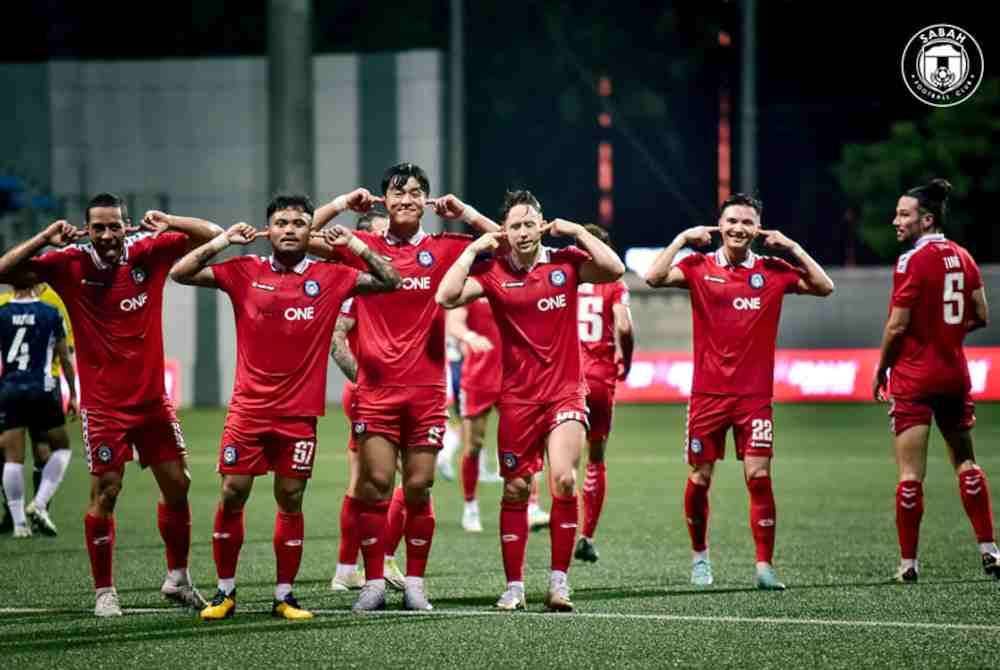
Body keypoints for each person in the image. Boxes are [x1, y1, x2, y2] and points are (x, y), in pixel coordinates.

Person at [170, 193, 400, 620]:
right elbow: (181, 273)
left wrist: (356, 246)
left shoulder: (332, 275)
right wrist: (223, 242)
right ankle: (225, 593)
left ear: (310, 231)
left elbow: (390, 280)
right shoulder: (245, 270)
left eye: (298, 223)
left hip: (298, 415)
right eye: (281, 222)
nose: (290, 229)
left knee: (290, 499)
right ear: (269, 229)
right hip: (248, 411)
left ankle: (284, 595)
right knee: (232, 493)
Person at [0, 193, 221, 616]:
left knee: (179, 484)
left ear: (126, 225)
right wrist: (46, 236)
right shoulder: (68, 263)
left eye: (114, 225)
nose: (106, 234)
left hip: (153, 402)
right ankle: (105, 591)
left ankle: (177, 579)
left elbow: (212, 236)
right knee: (107, 492)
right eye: (98, 226)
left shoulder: (150, 251)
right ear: (87, 229)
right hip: (105, 407)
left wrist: (169, 218)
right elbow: (5, 269)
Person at [310, 162, 500, 612]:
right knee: (375, 486)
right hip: (377, 391)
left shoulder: (446, 247)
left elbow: (508, 244)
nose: (407, 199)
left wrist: (468, 213)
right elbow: (300, 235)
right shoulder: (365, 246)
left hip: (427, 392)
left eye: (416, 192)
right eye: (397, 193)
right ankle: (373, 581)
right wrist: (340, 204)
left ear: (427, 201)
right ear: (384, 200)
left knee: (418, 486)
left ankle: (415, 581)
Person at [436, 189, 625, 612]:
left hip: (564, 393)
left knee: (563, 480)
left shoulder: (565, 263)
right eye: (514, 225)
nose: (523, 232)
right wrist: (471, 252)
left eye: (529, 223)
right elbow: (445, 297)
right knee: (517, 488)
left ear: (541, 225)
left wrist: (576, 230)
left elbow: (615, 268)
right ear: (504, 231)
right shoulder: (493, 272)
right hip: (518, 399)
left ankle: (559, 583)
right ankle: (515, 587)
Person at [643, 193, 834, 590]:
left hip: (754, 398)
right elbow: (653, 277)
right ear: (720, 224)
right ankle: (700, 558)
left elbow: (824, 286)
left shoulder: (774, 270)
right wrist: (681, 239)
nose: (738, 229)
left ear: (757, 229)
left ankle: (764, 566)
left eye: (747, 222)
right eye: (732, 221)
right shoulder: (698, 266)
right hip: (707, 397)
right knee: (700, 478)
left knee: (759, 476)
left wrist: (794, 247)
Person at [872, 178, 1000, 583]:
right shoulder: (964, 257)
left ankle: (908, 564)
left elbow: (896, 326)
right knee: (966, 462)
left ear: (926, 220)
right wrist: (946, 334)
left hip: (914, 376)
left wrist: (882, 368)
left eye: (904, 214)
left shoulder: (911, 262)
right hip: (954, 373)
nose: (896, 221)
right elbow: (980, 314)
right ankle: (989, 549)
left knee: (911, 474)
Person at [330, 208, 408, 593]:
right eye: (377, 236)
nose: (384, 244)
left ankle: (349, 569)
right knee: (388, 484)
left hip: (402, 392)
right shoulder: (358, 289)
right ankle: (377, 561)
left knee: (365, 485)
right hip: (373, 395)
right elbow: (336, 338)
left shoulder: (391, 283)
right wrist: (365, 381)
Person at [573, 224, 635, 563]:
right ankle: (586, 535)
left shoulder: (566, 276)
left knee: (560, 458)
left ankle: (544, 513)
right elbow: (624, 326)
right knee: (595, 458)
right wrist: (628, 356)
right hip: (599, 378)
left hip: (567, 377)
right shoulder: (613, 283)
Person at [0, 271, 77, 537]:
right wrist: (74, 394)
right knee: (61, 449)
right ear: (38, 282)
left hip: (9, 388)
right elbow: (66, 357)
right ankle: (41, 503)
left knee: (12, 457)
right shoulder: (50, 311)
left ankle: (19, 523)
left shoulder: (1, 311)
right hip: (43, 389)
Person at [446, 296, 502, 532]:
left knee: (523, 444)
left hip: (515, 376)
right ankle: (471, 507)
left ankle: (530, 506)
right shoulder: (473, 283)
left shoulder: (522, 279)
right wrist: (470, 337)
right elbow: (453, 321)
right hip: (479, 377)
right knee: (474, 444)